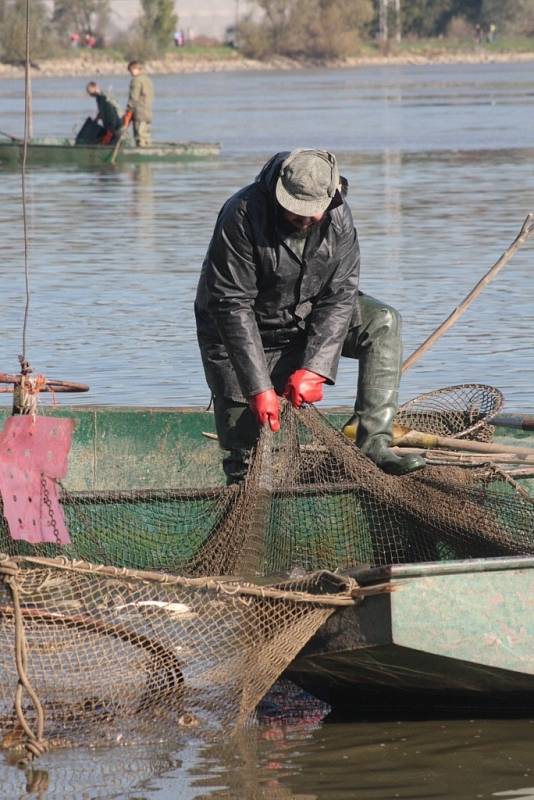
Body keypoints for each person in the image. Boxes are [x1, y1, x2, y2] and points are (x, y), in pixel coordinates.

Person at [195, 149, 426, 484]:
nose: (305, 219)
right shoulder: (241, 215)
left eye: (312, 212)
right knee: (246, 457)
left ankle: (374, 439)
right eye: (295, 210)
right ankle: (242, 483)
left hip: (306, 319)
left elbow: (340, 294)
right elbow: (232, 305)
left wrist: (315, 367)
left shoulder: (340, 217)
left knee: (383, 322)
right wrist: (258, 387)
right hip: (239, 335)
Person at [124, 60, 154, 147]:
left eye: (130, 70)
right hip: (148, 113)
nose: (130, 73)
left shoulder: (136, 80)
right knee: (146, 137)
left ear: (135, 69)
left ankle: (141, 156)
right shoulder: (148, 79)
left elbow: (134, 97)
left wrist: (128, 109)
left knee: (139, 137)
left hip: (139, 113)